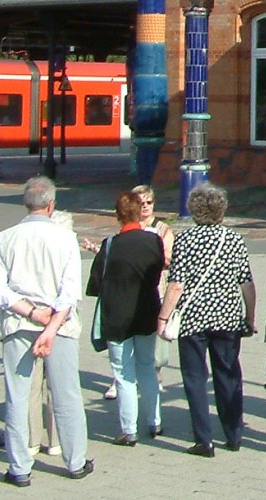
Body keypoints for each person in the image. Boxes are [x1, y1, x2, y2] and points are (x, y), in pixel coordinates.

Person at [0, 176, 93, 486]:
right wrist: (50, 327)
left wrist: (30, 311)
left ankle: (19, 466)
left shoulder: (6, 238)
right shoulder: (65, 239)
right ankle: (75, 460)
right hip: (59, 324)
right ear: (51, 205)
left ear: (26, 204)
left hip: (19, 322)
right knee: (66, 393)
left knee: (18, 396)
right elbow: (70, 291)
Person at [157, 183, 255, 458]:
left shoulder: (185, 240)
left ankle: (204, 439)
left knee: (195, 377)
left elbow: (176, 284)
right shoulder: (234, 239)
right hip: (227, 316)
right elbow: (246, 282)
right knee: (228, 373)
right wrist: (249, 316)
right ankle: (234, 433)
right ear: (221, 209)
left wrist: (163, 317)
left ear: (194, 210)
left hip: (193, 318)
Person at [87, 191, 164, 447]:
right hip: (146, 312)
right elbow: (156, 276)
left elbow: (96, 285)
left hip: (117, 316)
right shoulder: (154, 241)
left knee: (123, 374)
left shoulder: (110, 245)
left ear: (118, 215)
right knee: (147, 368)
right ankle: (155, 422)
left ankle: (128, 430)